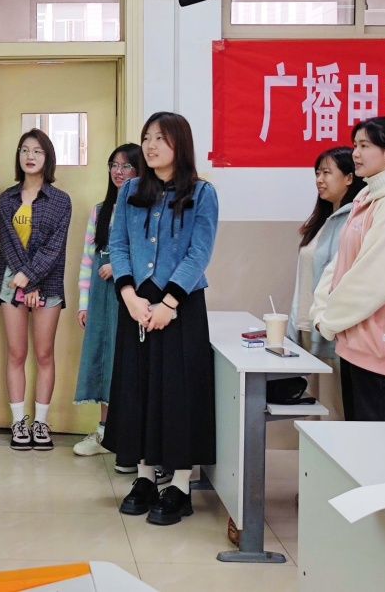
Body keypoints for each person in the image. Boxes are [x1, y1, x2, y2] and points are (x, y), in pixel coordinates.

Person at [104, 111, 218, 526]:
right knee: (138, 390)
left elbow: (199, 252)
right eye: (147, 138)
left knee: (177, 393)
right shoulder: (131, 190)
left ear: (179, 144)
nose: (151, 146)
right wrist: (128, 295)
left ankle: (180, 486)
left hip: (181, 306)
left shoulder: (202, 192)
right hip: (135, 302)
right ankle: (145, 477)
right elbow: (118, 245)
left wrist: (169, 304)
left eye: (161, 139)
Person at [0, 129, 71, 451]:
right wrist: (24, 279)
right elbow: (8, 245)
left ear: (47, 157)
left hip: (47, 284)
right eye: (25, 150)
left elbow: (54, 248)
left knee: (44, 354)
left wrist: (33, 280)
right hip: (12, 283)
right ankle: (19, 423)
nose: (30, 156)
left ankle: (41, 422)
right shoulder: (6, 199)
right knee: (16, 353)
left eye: (37, 151)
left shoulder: (61, 201)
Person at [312, 116, 385, 422]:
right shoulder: (365, 196)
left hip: (378, 352)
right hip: (352, 345)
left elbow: (373, 279)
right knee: (356, 438)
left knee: (375, 443)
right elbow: (339, 264)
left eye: (364, 146)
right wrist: (321, 311)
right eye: (355, 145)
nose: (355, 154)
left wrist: (329, 320)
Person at [72, 143, 141, 462]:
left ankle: (131, 436)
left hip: (133, 296)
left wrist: (119, 266)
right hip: (102, 297)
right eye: (114, 165)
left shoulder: (145, 209)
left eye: (126, 166)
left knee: (127, 361)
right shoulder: (101, 211)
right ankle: (104, 431)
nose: (118, 171)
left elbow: (150, 254)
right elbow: (88, 260)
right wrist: (84, 303)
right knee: (103, 358)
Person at [287, 147, 365, 420]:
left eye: (327, 173)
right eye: (317, 173)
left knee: (333, 410)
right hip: (307, 326)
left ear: (349, 178)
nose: (319, 179)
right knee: (313, 409)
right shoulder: (323, 221)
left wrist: (325, 321)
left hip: (330, 330)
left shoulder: (354, 221)